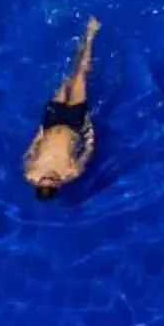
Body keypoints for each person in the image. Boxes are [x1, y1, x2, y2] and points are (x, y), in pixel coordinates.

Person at [23, 17, 100, 199]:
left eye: (47, 178)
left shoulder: (30, 172)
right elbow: (88, 150)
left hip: (51, 122)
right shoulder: (72, 172)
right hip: (74, 123)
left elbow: (31, 151)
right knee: (81, 76)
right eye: (53, 179)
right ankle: (90, 36)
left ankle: (78, 47)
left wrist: (39, 133)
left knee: (67, 81)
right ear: (58, 186)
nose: (51, 176)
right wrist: (88, 129)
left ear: (38, 182)